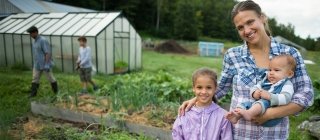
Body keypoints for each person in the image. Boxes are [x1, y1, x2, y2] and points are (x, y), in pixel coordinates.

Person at [178, 0, 313, 139]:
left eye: (250, 22)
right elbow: (221, 88)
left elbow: (306, 95)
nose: (247, 30)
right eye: (240, 27)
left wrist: (269, 115)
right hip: (239, 134)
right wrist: (195, 100)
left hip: (274, 135)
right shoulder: (233, 55)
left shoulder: (290, 54)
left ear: (262, 18)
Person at [226, 54, 296, 127]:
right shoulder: (265, 81)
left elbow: (286, 98)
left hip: (272, 115)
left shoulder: (287, 84)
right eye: (270, 70)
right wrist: (255, 93)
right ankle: (236, 116)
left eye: (276, 70)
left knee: (264, 101)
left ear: (289, 74)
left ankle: (249, 113)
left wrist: (270, 96)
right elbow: (255, 87)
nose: (271, 73)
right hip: (259, 108)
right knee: (245, 104)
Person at [172, 67, 232, 140]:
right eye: (199, 87)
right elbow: (177, 135)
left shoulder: (223, 116)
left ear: (215, 88)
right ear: (193, 88)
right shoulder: (185, 113)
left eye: (208, 87)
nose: (204, 92)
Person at [27, 26, 58, 98]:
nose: (30, 35)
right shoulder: (35, 41)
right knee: (35, 78)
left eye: (31, 33)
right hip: (37, 65)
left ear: (35, 32)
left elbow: (48, 53)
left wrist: (47, 64)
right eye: (30, 34)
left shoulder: (43, 40)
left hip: (44, 65)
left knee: (51, 78)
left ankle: (56, 93)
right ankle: (33, 94)